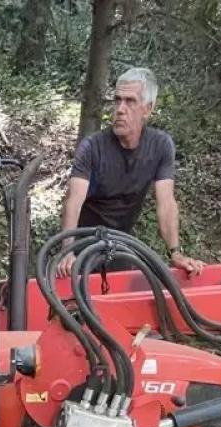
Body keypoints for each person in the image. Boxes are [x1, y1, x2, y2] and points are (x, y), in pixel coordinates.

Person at [57, 67, 206, 278]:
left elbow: (166, 202)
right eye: (117, 100)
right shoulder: (92, 147)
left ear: (148, 108)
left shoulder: (160, 146)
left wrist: (175, 252)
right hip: (82, 241)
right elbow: (73, 200)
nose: (120, 108)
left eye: (130, 101)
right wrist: (67, 251)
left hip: (121, 242)